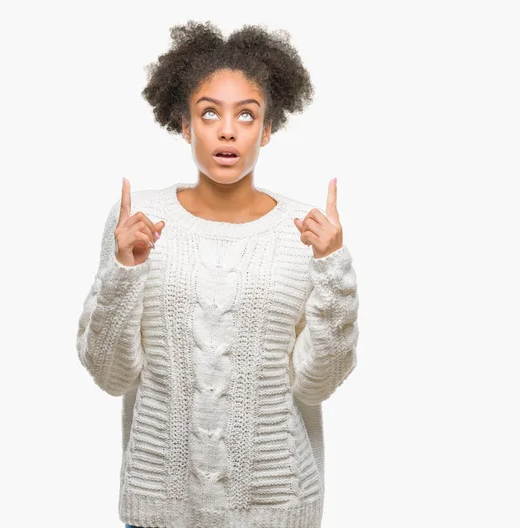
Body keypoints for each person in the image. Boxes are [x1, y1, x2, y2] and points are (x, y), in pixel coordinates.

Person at [76, 20, 359, 528]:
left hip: (277, 508)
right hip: (160, 509)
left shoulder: (306, 233)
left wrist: (332, 270)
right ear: (185, 124)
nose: (227, 131)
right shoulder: (139, 223)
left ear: (267, 128)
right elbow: (110, 374)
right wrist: (124, 269)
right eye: (209, 113)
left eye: (246, 116)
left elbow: (317, 385)